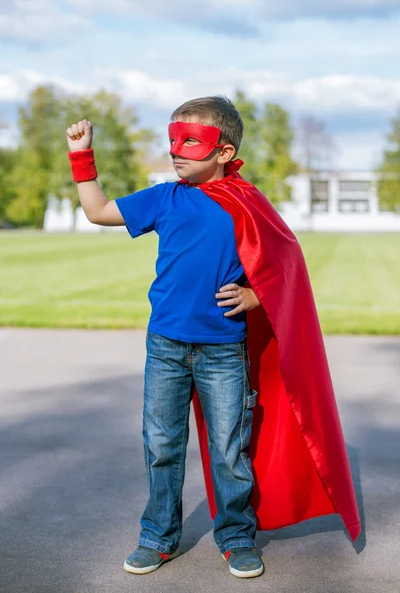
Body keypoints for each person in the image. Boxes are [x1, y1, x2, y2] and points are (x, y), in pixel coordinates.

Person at [66, 96, 361, 580]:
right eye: (172, 140)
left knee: (229, 448)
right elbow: (97, 212)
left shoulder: (248, 203)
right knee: (161, 443)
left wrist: (255, 297)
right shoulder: (165, 197)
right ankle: (158, 536)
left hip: (223, 351)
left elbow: (286, 266)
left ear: (223, 152)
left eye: (190, 142)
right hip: (165, 346)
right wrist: (82, 156)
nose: (176, 151)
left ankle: (236, 535)